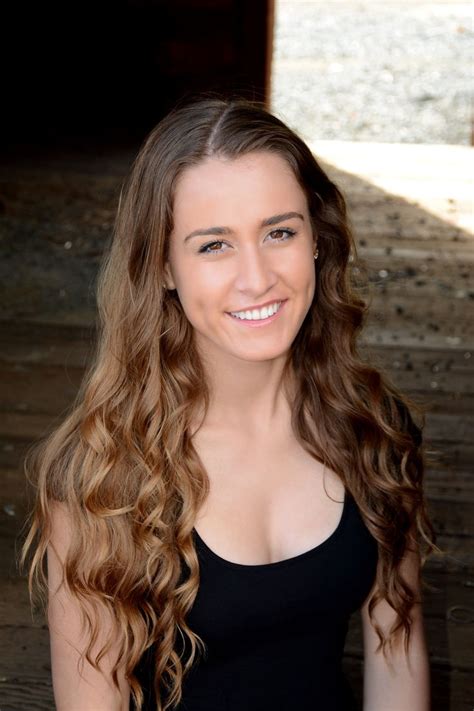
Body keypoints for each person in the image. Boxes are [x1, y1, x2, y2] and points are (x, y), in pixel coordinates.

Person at [19, 95, 439, 711]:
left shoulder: (374, 428)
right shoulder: (101, 479)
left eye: (279, 232)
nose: (257, 277)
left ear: (317, 241)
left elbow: (394, 650)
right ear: (162, 267)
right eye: (214, 245)